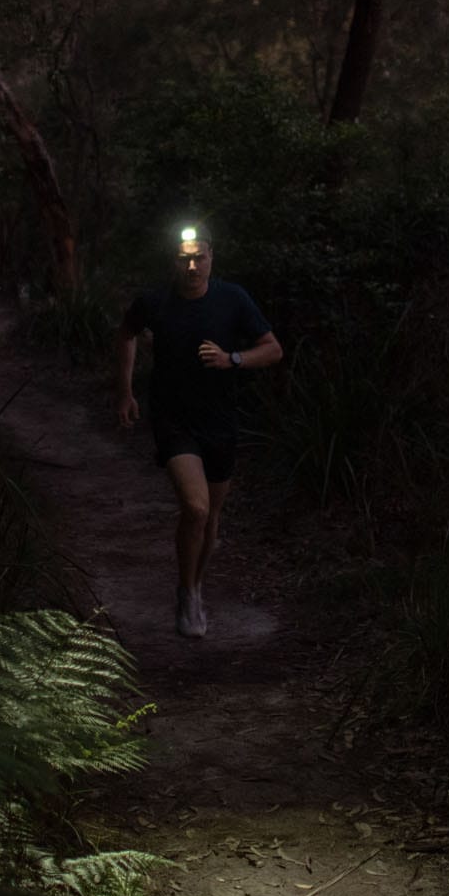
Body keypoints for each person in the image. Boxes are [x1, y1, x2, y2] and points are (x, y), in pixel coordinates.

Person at [116, 224, 282, 637]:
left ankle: (194, 587)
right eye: (183, 258)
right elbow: (126, 333)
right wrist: (125, 391)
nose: (192, 266)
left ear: (211, 257)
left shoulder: (232, 299)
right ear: (173, 260)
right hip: (174, 419)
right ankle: (188, 594)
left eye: (200, 257)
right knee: (197, 507)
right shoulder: (154, 301)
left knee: (211, 518)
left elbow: (273, 349)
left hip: (220, 421)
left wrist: (233, 359)